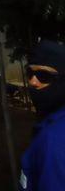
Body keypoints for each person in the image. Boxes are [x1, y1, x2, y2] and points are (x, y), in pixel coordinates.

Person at [19, 39, 65, 190]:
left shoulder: (52, 140)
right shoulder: (50, 124)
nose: (33, 81)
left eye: (43, 75)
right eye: (30, 73)